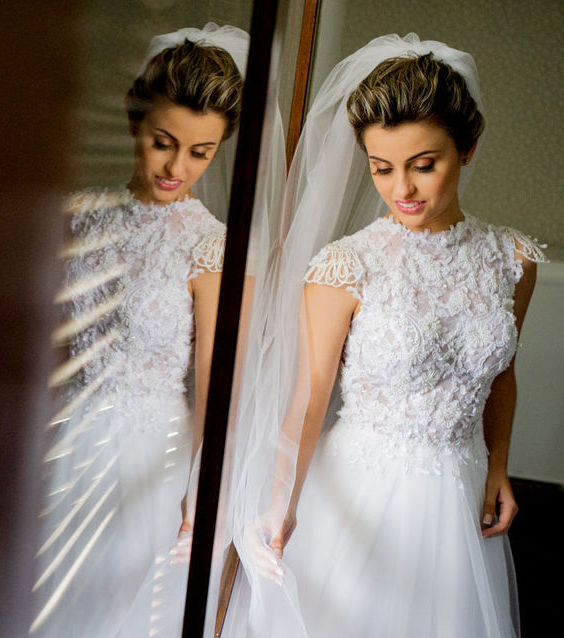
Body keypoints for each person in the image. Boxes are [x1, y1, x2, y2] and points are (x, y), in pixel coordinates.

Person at [220, 34, 547, 637]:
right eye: (381, 168)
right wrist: (281, 502)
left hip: (460, 492)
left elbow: (501, 371)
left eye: (423, 165)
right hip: (359, 499)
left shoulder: (513, 260)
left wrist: (498, 467)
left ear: (467, 148)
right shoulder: (346, 267)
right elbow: (309, 397)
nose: (402, 190)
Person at [30, 24, 283, 638]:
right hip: (60, 444)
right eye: (162, 142)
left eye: (201, 152)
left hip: (150, 462)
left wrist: (201, 491)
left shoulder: (213, 250)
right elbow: (47, 350)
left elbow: (216, 389)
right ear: (132, 122)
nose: (176, 167)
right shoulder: (75, 217)